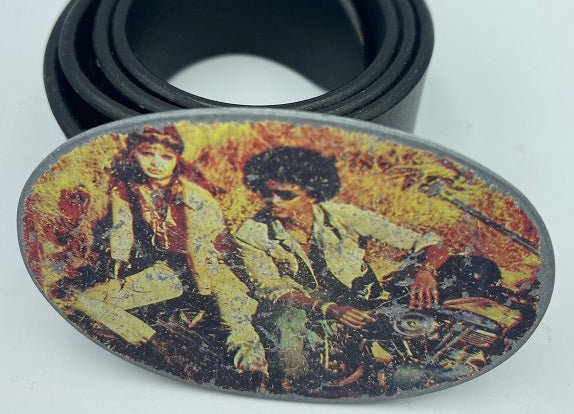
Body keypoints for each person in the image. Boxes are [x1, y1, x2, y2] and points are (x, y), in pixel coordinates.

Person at [234, 146, 446, 392]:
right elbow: (271, 288)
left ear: (312, 194)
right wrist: (328, 308)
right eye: (266, 192)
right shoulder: (251, 233)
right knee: (284, 326)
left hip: (363, 300)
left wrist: (426, 271)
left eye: (285, 194)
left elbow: (430, 242)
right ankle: (295, 387)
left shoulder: (344, 215)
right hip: (302, 308)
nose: (273, 201)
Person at [67, 127, 268, 383]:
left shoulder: (191, 194)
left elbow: (197, 246)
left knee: (235, 319)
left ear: (176, 159)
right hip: (172, 269)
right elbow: (122, 229)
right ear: (134, 154)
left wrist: (205, 295)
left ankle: (254, 375)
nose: (156, 163)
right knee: (88, 300)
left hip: (214, 268)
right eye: (147, 153)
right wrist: (117, 266)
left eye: (166, 156)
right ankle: (156, 343)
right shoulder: (126, 188)